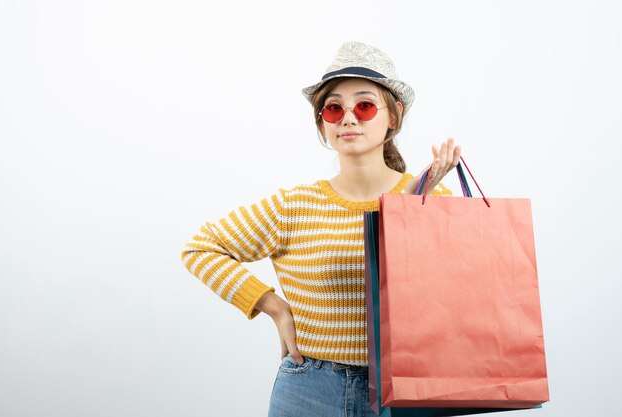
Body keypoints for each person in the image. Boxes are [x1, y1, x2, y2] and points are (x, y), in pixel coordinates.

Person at [180, 41, 461, 417]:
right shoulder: (293, 206)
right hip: (310, 390)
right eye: (333, 108)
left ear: (393, 116)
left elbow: (451, 293)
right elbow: (200, 248)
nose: (348, 118)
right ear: (322, 122)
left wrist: (412, 204)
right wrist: (274, 306)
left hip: (410, 391)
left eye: (364, 105)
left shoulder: (431, 195)